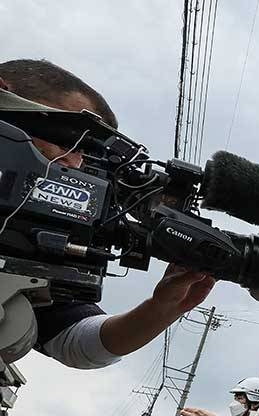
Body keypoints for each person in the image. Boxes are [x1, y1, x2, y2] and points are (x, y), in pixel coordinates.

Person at [0, 59, 215, 370]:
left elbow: (76, 342)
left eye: (85, 153)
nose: (74, 164)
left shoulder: (31, 232)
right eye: (67, 139)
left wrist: (163, 308)